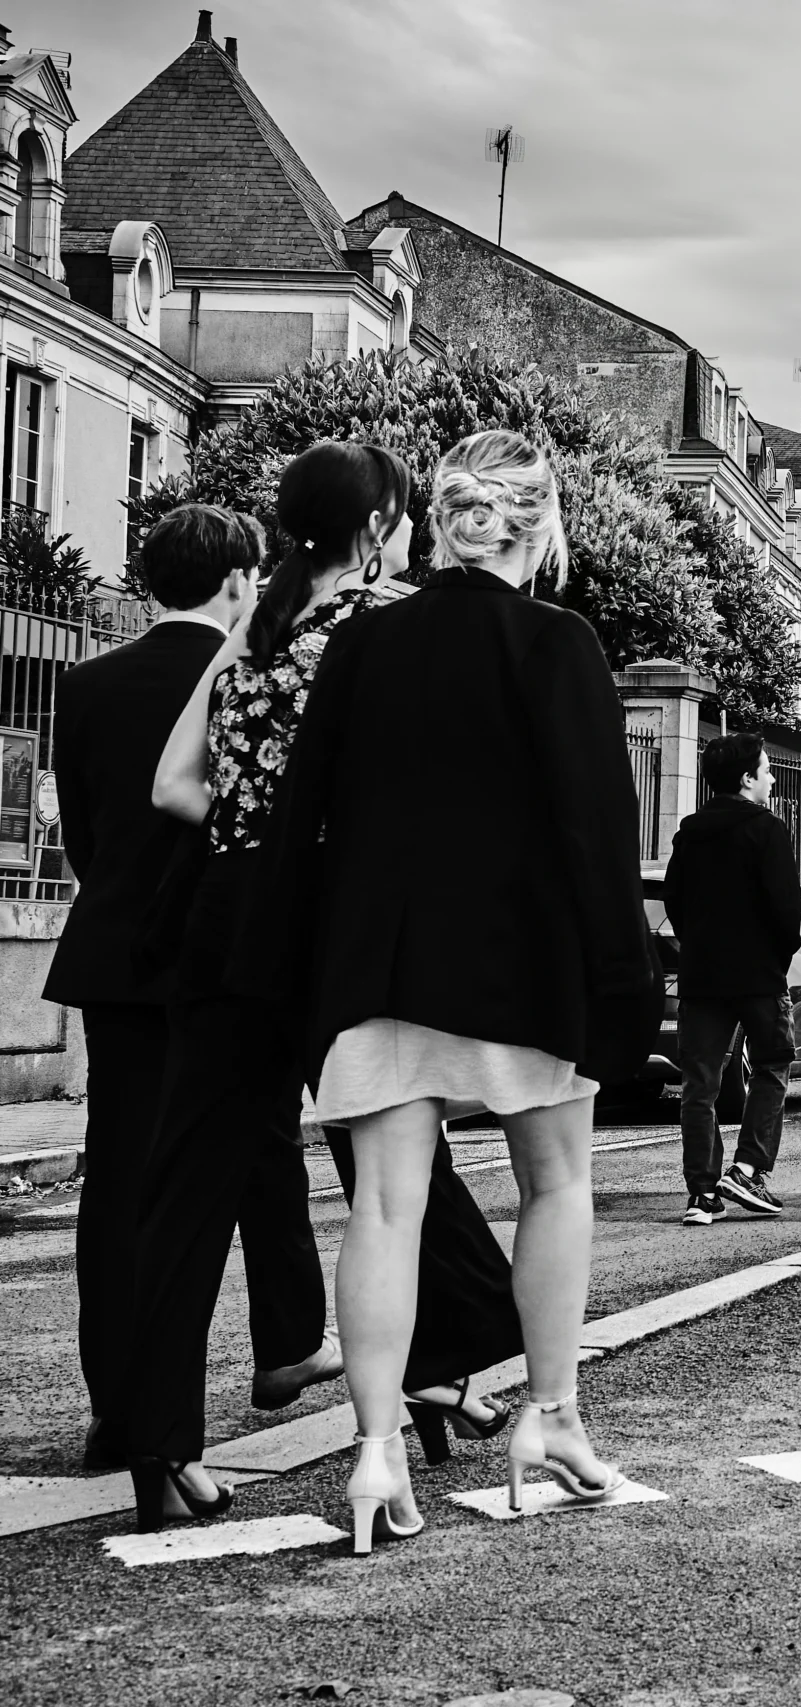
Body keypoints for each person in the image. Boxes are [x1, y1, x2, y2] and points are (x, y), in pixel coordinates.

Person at [274, 429, 656, 1551]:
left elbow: (306, 819)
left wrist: (294, 978)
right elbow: (596, 826)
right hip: (521, 964)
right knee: (556, 1185)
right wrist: (619, 982)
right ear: (537, 529)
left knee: (383, 1208)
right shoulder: (560, 643)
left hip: (376, 963)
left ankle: (377, 1452)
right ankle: (551, 1419)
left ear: (441, 521)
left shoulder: (361, 643)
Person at [123, 451, 519, 1533]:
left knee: (189, 1183)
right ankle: (441, 1363)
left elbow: (172, 785)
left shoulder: (251, 629)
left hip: (224, 917)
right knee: (389, 1158)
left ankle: (159, 1446)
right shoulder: (387, 623)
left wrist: (254, 841)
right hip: (335, 919)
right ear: (386, 523)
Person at [45, 508, 261, 1474]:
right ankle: (180, 1407)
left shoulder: (85, 682)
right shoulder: (247, 680)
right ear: (234, 582)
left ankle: (116, 1408)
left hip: (116, 953)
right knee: (216, 1182)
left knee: (119, 1179)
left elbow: (84, 837)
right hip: (219, 959)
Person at [663, 731, 801, 1224]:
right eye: (766, 769)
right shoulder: (768, 830)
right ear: (746, 780)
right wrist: (776, 957)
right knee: (772, 1065)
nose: (772, 777)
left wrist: (699, 947)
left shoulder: (688, 833)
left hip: (702, 977)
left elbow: (674, 903)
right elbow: (789, 909)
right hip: (759, 977)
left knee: (699, 1085)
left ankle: (702, 1193)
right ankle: (747, 1168)